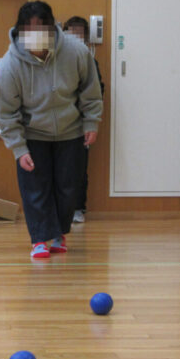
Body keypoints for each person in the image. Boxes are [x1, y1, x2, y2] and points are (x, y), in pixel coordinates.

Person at [0, 1, 103, 259]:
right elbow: (5, 111)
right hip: (32, 133)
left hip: (71, 130)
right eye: (30, 33)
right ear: (21, 32)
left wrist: (91, 122)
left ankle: (58, 234)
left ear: (53, 30)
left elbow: (90, 89)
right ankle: (39, 239)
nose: (37, 39)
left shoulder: (76, 52)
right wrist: (19, 149)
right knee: (35, 188)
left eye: (42, 32)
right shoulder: (10, 65)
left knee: (68, 187)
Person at [62, 16, 105, 224]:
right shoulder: (57, 59)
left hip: (81, 124)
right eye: (72, 32)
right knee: (60, 169)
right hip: (60, 123)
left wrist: (90, 120)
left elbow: (97, 92)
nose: (75, 37)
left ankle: (78, 208)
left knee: (79, 168)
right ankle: (60, 209)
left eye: (79, 34)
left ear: (86, 38)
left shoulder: (90, 61)